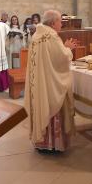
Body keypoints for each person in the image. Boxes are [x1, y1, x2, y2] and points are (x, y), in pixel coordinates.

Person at [25, 10, 79, 152]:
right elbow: (61, 58)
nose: (61, 24)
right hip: (49, 82)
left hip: (39, 81)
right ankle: (54, 145)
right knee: (52, 105)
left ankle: (42, 143)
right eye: (60, 21)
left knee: (41, 105)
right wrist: (68, 48)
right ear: (53, 22)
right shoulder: (52, 36)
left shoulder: (37, 34)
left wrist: (64, 47)